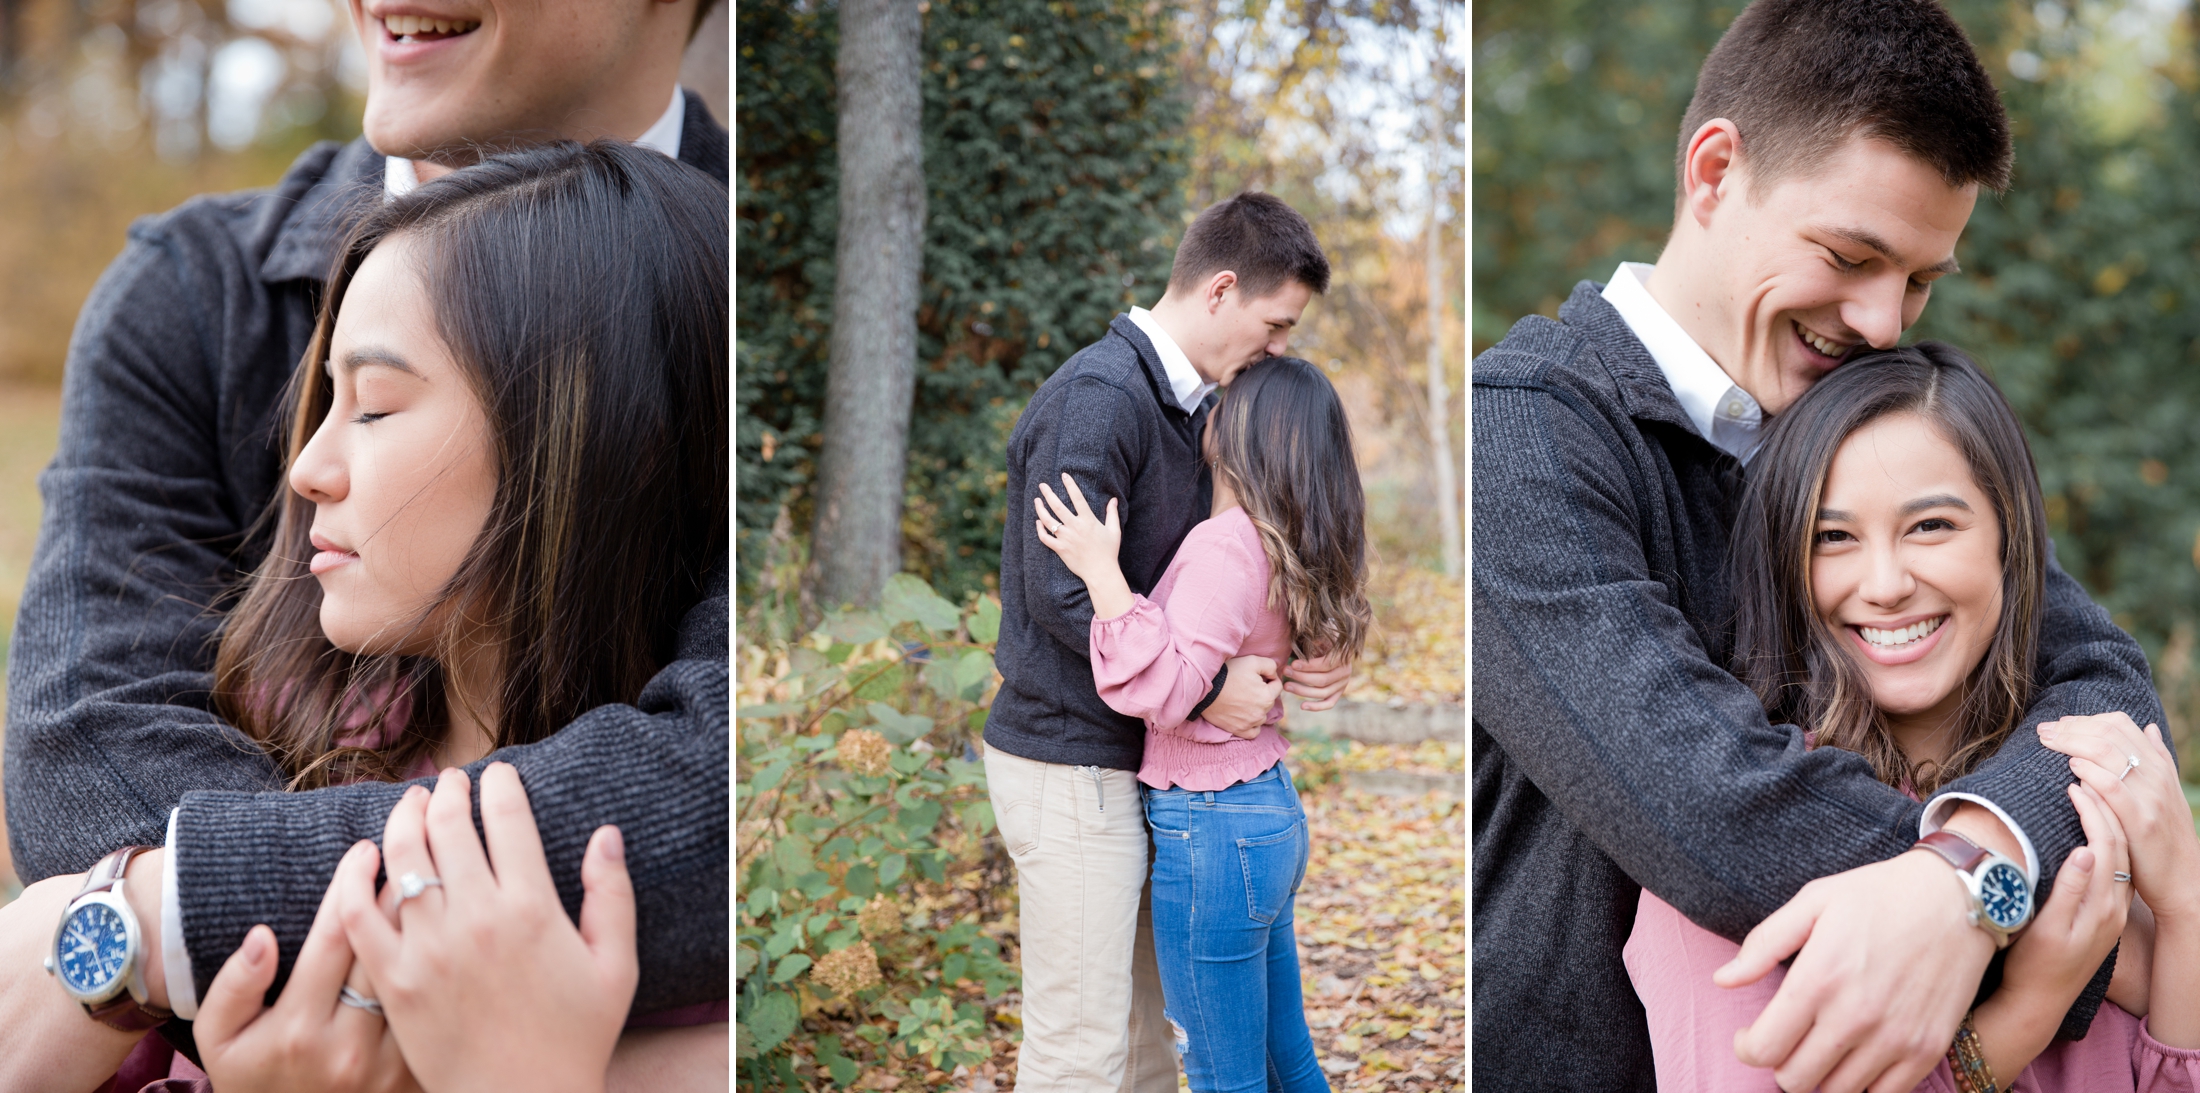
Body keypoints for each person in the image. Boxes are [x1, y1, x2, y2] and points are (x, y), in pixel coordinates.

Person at [0, 0, 729, 1086]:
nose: (303, 476)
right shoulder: (190, 294)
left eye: (378, 405)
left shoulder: (734, 301)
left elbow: (717, 792)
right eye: (321, 399)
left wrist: (153, 916)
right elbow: (85, 763)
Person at [1470, 1, 2162, 1089]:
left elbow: (2102, 688)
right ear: (1712, 172)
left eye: (1922, 280)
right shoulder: (1515, 437)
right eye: (1850, 254)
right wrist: (2053, 934)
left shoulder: (1848, 411)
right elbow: (1713, 808)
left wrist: (1972, 872)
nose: (1884, 321)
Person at [1626, 343, 2200, 1090]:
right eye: (1832, 537)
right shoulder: (1737, 846)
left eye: (1930, 525)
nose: (1887, 583)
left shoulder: (2086, 800)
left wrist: (2185, 907)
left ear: (2010, 539)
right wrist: (2030, 1008)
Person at [983, 192, 1352, 1091]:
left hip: (1151, 769)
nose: (1275, 351)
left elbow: (1213, 582)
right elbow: (1060, 587)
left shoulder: (1195, 410)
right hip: (1072, 761)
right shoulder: (1099, 399)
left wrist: (1301, 640)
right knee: (1083, 1047)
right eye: (1274, 325)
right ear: (1221, 290)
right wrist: (1206, 687)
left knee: (1154, 1047)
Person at [1033, 356, 1369, 1093]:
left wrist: (1102, 573)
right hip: (1262, 811)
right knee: (1287, 1061)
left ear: (1239, 428)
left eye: (1224, 399)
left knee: (1224, 1076)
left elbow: (1168, 687)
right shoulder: (1277, 539)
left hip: (1214, 825)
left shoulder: (1224, 545)